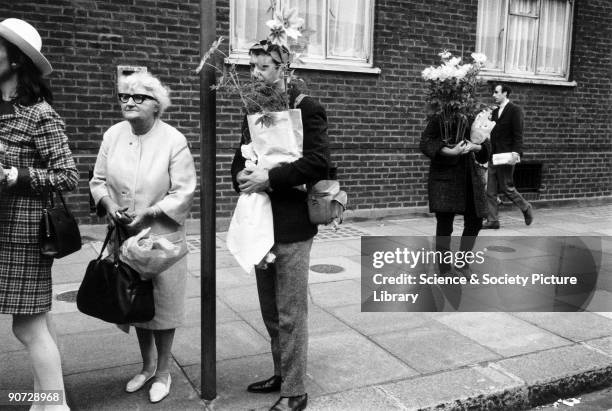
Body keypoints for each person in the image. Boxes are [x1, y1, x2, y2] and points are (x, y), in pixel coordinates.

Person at [230, 41, 330, 411]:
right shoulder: (253, 110)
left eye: (263, 67)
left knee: (291, 312)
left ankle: (295, 391)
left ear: (284, 68)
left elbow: (318, 164)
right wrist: (242, 176)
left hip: (291, 225)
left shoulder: (307, 108)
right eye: (251, 67)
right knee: (270, 309)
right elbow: (236, 160)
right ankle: (282, 372)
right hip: (259, 223)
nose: (255, 74)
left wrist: (269, 179)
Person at [90, 71, 196, 403]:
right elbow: (97, 181)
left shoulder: (173, 140)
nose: (130, 102)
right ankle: (148, 365)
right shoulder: (113, 135)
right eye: (125, 96)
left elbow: (185, 190)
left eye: (139, 97)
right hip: (126, 234)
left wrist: (149, 211)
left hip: (162, 235)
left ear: (156, 105)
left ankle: (164, 371)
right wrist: (107, 204)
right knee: (134, 298)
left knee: (163, 305)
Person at [0, 18, 77, 410]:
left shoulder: (39, 113)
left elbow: (67, 175)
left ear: (15, 60)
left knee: (27, 325)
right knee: (38, 322)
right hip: (2, 229)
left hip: (24, 234)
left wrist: (14, 174)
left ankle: (54, 405)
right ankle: (42, 401)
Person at [420, 116, 491, 275]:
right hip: (444, 177)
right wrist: (452, 151)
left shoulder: (473, 116)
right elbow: (426, 143)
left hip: (468, 176)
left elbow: (486, 149)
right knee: (445, 225)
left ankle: (462, 263)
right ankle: (444, 270)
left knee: (475, 220)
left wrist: (474, 146)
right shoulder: (440, 116)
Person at [483, 84, 533, 229]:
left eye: (496, 92)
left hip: (506, 156)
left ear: (505, 93)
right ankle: (493, 220)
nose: (494, 95)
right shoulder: (495, 111)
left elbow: (518, 134)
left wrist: (515, 153)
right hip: (493, 155)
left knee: (506, 187)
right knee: (490, 190)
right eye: (494, 92)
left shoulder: (515, 110)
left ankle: (525, 207)